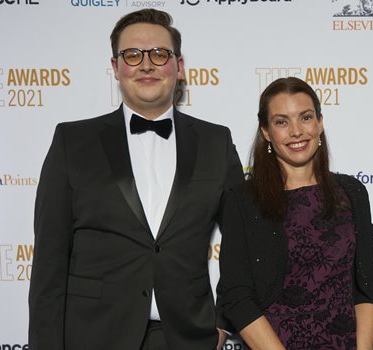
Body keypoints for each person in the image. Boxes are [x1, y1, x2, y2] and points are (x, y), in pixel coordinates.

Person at [28, 9, 243, 350]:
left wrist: (223, 320)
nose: (147, 65)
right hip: (93, 336)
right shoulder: (73, 142)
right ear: (115, 67)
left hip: (187, 338)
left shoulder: (216, 143)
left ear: (180, 66)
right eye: (132, 55)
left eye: (160, 54)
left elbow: (244, 242)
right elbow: (48, 265)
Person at [216, 77, 373, 349]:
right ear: (266, 132)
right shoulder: (243, 200)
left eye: (305, 117)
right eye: (282, 122)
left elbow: (365, 284)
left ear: (320, 122)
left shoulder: (352, 192)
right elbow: (237, 296)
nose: (296, 131)